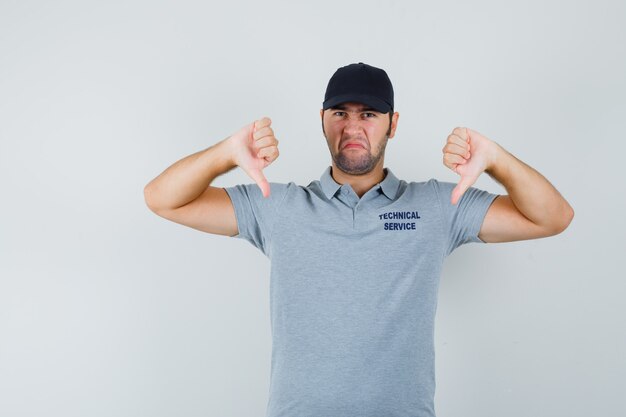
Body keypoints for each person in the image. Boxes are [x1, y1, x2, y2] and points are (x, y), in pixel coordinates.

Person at [143, 62, 574, 417]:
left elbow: (553, 217)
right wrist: (224, 155)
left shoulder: (440, 206)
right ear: (323, 120)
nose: (353, 126)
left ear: (393, 123)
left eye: (368, 114)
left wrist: (496, 161)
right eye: (340, 113)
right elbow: (163, 200)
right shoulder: (279, 206)